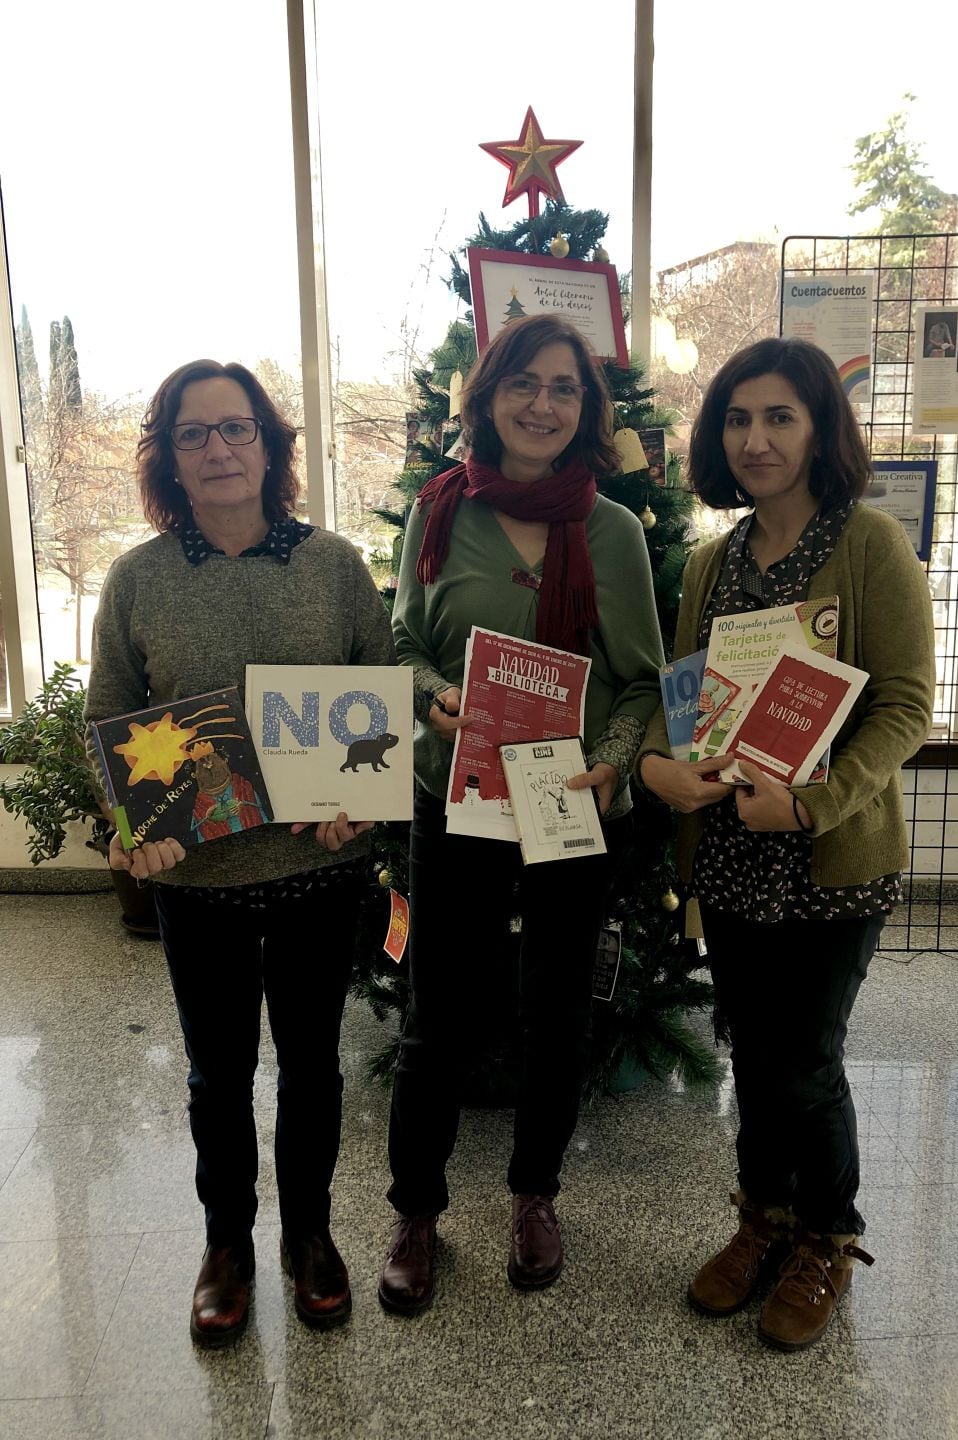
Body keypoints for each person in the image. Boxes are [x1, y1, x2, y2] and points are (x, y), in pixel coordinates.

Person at [86, 359, 397, 1346]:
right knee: (217, 1075)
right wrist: (133, 830)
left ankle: (310, 1236)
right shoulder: (137, 580)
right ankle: (227, 1243)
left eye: (237, 430)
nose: (217, 449)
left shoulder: (335, 566)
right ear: (168, 457)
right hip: (201, 882)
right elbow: (110, 715)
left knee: (312, 1068)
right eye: (193, 433)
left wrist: (363, 808)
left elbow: (379, 693)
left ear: (270, 447)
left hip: (319, 873)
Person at [637, 337, 935, 1352]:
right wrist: (662, 766)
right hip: (728, 853)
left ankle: (826, 1238)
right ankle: (760, 1219)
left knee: (807, 1059)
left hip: (826, 852)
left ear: (819, 430)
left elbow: (905, 706)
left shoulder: (870, 546)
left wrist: (814, 801)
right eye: (736, 419)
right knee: (751, 1053)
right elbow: (683, 700)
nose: (755, 439)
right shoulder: (711, 564)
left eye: (779, 418)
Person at [380, 314, 664, 1314]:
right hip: (451, 797)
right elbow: (401, 648)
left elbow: (640, 687)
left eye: (565, 388)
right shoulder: (441, 513)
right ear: (489, 394)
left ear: (585, 410)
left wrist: (611, 759)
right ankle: (415, 1210)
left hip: (569, 803)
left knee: (556, 1012)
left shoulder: (613, 534)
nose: (543, 403)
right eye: (523, 383)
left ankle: (535, 1195)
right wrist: (432, 699)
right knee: (438, 1014)